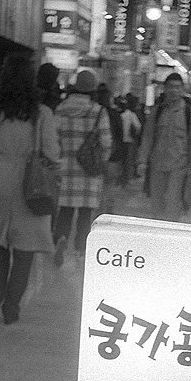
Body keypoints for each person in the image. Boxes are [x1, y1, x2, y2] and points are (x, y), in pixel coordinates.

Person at [0, 53, 61, 325]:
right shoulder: (42, 113)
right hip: (32, 183)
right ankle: (11, 306)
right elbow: (51, 153)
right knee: (25, 248)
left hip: (1, 177)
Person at [52, 69, 111, 266]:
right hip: (89, 172)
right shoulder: (98, 111)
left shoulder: (60, 109)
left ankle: (60, 238)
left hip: (65, 169)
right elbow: (106, 143)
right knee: (86, 213)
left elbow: (53, 140)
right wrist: (100, 162)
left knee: (65, 210)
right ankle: (80, 250)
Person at [137, 72, 191, 222]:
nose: (174, 90)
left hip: (178, 167)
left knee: (173, 205)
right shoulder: (157, 112)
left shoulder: (190, 114)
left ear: (183, 89)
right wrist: (142, 161)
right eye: (170, 87)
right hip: (157, 165)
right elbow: (147, 137)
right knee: (156, 205)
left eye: (177, 87)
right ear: (165, 89)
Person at [93, 83, 124, 212]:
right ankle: (106, 212)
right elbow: (120, 135)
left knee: (97, 187)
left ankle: (97, 213)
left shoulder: (94, 112)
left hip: (95, 156)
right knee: (109, 186)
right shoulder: (114, 114)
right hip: (113, 156)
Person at [117, 96, 142, 188]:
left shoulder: (117, 114)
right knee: (128, 160)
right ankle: (126, 180)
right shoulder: (131, 114)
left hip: (119, 141)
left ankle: (120, 179)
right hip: (129, 140)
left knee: (121, 161)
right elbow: (138, 126)